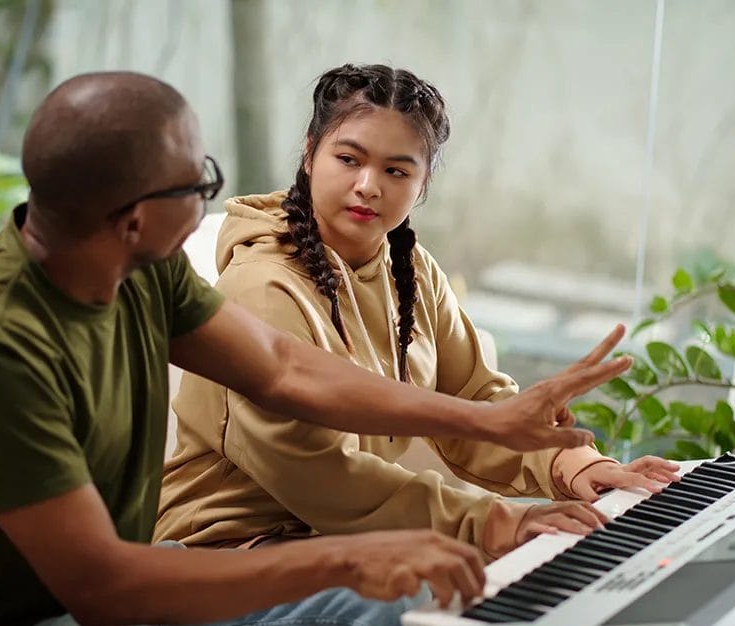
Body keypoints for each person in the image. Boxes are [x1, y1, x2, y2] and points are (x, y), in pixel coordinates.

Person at [0, 71, 635, 626]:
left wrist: (490, 421)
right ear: (133, 215)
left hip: (133, 580)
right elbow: (104, 584)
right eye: (195, 183)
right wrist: (349, 561)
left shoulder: (140, 267)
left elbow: (287, 369)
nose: (208, 200)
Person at [156, 64, 680, 561]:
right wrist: (493, 524)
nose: (369, 185)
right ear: (310, 153)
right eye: (349, 159)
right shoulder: (262, 285)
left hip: (343, 540)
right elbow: (319, 474)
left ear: (423, 183)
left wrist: (577, 466)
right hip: (229, 549)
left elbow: (474, 398)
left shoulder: (411, 270)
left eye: (396, 170)